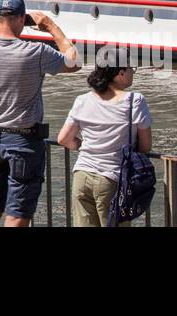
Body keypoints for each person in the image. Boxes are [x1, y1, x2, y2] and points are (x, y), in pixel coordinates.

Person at [0, 0, 79, 227]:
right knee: (16, 218)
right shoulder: (35, 52)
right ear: (22, 19)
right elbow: (74, 61)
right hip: (24, 143)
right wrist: (51, 26)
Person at [57, 48, 152, 227]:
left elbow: (63, 139)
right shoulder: (134, 101)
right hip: (111, 179)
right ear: (120, 72)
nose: (133, 72)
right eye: (132, 68)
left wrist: (86, 145)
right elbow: (145, 147)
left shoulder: (82, 100)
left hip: (81, 175)